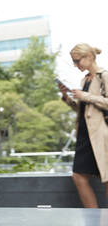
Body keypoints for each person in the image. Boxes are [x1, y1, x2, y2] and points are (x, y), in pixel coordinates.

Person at [58, 43, 108, 208]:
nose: (76, 65)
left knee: (107, 178)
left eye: (77, 61)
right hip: (85, 134)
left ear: (89, 57)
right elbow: (83, 109)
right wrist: (67, 97)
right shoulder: (84, 79)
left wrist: (85, 96)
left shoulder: (104, 76)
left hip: (101, 134)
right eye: (74, 62)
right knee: (78, 176)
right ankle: (94, 219)